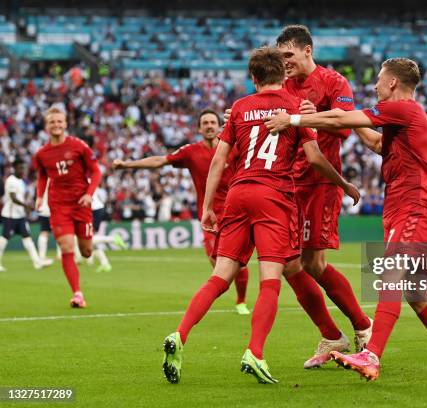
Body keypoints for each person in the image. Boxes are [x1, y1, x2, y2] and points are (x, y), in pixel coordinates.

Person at [265, 58, 427, 381]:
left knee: (391, 276)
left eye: (380, 80)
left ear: (394, 83)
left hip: (414, 203)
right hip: (402, 204)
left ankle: (372, 354)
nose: (375, 85)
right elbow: (375, 142)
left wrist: (295, 119)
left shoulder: (404, 108)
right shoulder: (405, 118)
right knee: (415, 291)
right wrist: (341, 117)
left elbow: (342, 117)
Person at [161, 46, 360, 385]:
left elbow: (219, 161)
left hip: (238, 194)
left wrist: (208, 206)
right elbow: (312, 157)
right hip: (274, 196)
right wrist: (343, 184)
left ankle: (180, 334)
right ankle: (255, 351)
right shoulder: (296, 107)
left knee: (220, 276)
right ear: (283, 75)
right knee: (271, 277)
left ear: (253, 78)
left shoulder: (239, 107)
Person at [227, 24, 372, 368]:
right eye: (281, 56)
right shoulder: (284, 85)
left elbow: (346, 123)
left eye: (289, 54)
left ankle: (364, 327)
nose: (285, 61)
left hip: (320, 182)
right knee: (291, 265)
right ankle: (332, 335)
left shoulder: (334, 82)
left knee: (312, 263)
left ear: (308, 50)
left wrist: (306, 117)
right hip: (286, 184)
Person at [113, 109, 250, 314]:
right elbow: (160, 160)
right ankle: (225, 291)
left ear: (219, 125)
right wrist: (127, 165)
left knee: (236, 263)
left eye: (213, 122)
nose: (210, 125)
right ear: (199, 128)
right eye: (205, 123)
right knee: (217, 264)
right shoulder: (191, 151)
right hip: (209, 216)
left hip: (235, 213)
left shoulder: (234, 148)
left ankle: (241, 302)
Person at [33, 107, 101, 308]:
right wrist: (39, 197)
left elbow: (96, 171)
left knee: (87, 251)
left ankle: (88, 251)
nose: (56, 125)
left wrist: (89, 194)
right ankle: (77, 294)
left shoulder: (79, 146)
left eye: (59, 121)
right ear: (47, 126)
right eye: (52, 122)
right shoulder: (42, 154)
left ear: (65, 124)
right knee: (66, 247)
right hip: (58, 205)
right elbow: (42, 175)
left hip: (81, 204)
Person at [0, 159, 43, 271]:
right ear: (14, 168)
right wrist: (26, 205)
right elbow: (13, 198)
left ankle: (37, 262)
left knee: (27, 238)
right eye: (20, 167)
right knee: (5, 238)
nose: (22, 170)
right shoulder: (11, 180)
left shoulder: (21, 181)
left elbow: (21, 198)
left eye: (23, 167)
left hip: (20, 215)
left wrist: (26, 208)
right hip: (10, 215)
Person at [86, 186, 128, 273]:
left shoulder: (81, 180)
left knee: (87, 238)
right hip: (94, 209)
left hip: (94, 210)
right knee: (90, 238)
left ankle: (113, 239)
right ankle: (105, 264)